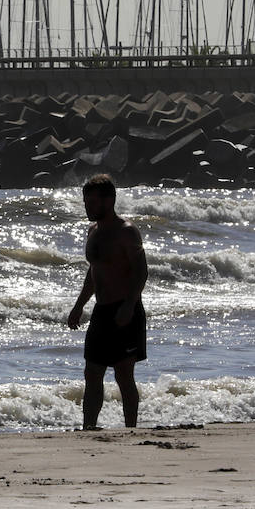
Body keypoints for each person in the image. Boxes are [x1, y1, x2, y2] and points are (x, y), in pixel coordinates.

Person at [67, 174, 148, 429]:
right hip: (101, 312)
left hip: (126, 310)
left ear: (109, 200)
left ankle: (131, 429)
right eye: (86, 201)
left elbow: (141, 272)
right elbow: (94, 273)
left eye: (93, 202)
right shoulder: (93, 231)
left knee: (124, 375)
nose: (88, 207)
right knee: (92, 373)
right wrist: (79, 306)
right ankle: (88, 427)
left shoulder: (127, 232)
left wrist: (128, 305)